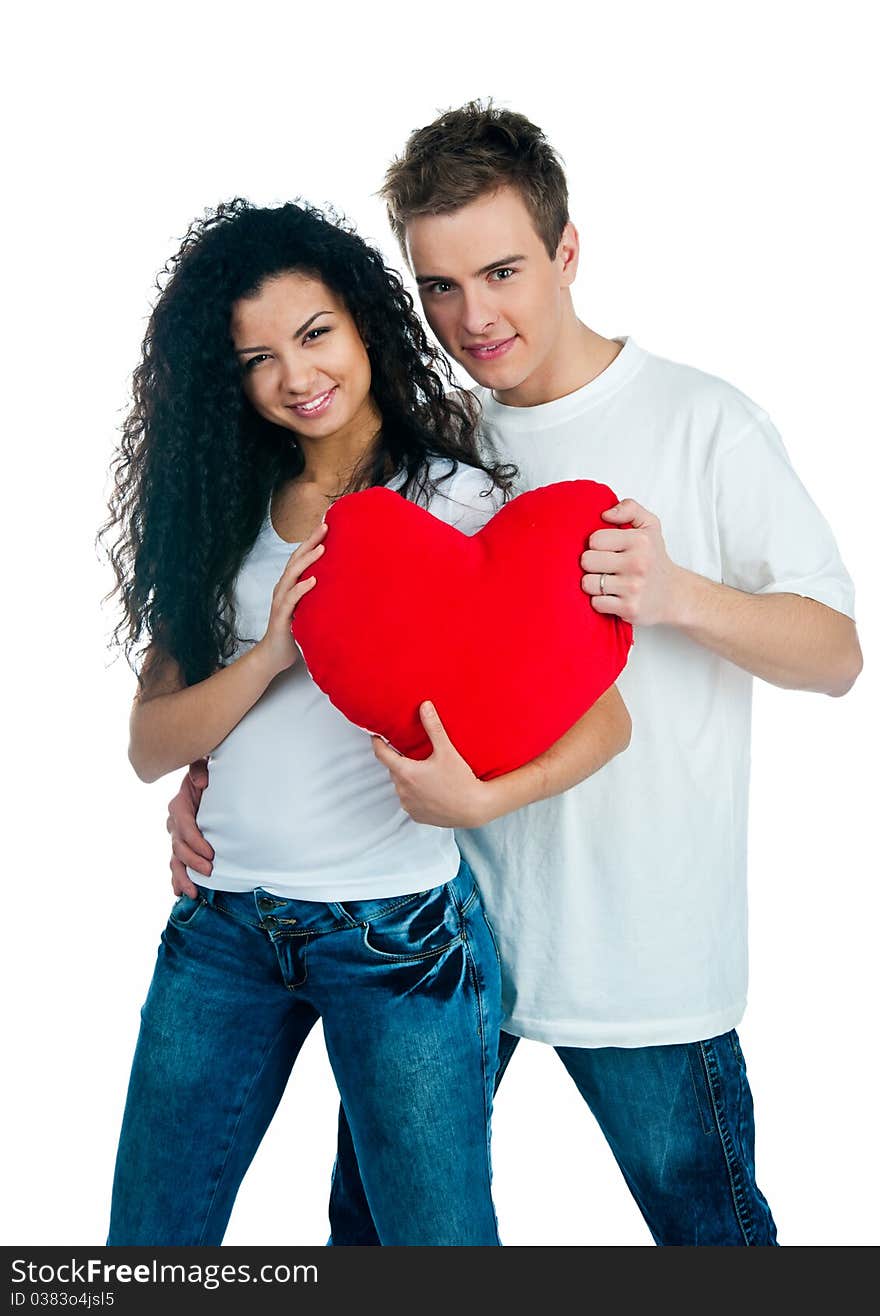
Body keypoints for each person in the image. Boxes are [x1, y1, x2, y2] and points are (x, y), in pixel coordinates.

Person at [167, 105, 862, 1246]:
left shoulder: (702, 421)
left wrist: (678, 593)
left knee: (712, 1231)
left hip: (643, 949)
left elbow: (837, 653)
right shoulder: (432, 445)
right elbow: (345, 657)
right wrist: (214, 786)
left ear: (567, 251)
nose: (473, 316)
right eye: (438, 286)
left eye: (500, 270)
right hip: (442, 945)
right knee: (368, 1233)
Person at [100, 196, 631, 1247]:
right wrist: (271, 654)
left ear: (364, 326)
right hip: (222, 928)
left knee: (433, 1247)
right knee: (147, 1243)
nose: (295, 378)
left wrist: (484, 796)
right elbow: (150, 743)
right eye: (257, 359)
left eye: (313, 335)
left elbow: (603, 718)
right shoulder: (222, 512)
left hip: (396, 939)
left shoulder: (456, 501)